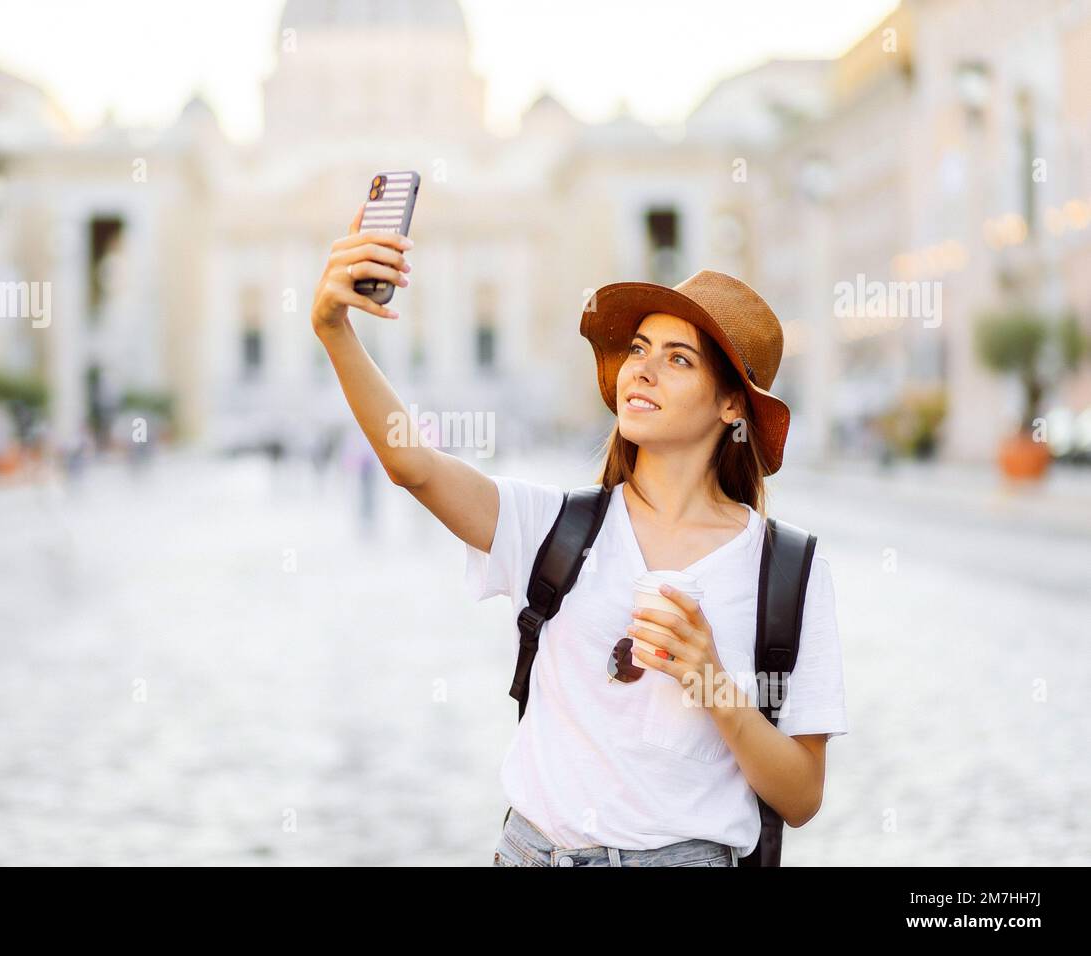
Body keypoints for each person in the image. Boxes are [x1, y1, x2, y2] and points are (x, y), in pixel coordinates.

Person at [310, 203, 847, 868]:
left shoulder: (786, 570)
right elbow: (411, 464)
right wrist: (335, 330)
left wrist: (710, 682)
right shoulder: (554, 527)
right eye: (639, 351)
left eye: (678, 359)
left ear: (732, 403)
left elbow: (800, 796)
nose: (642, 371)